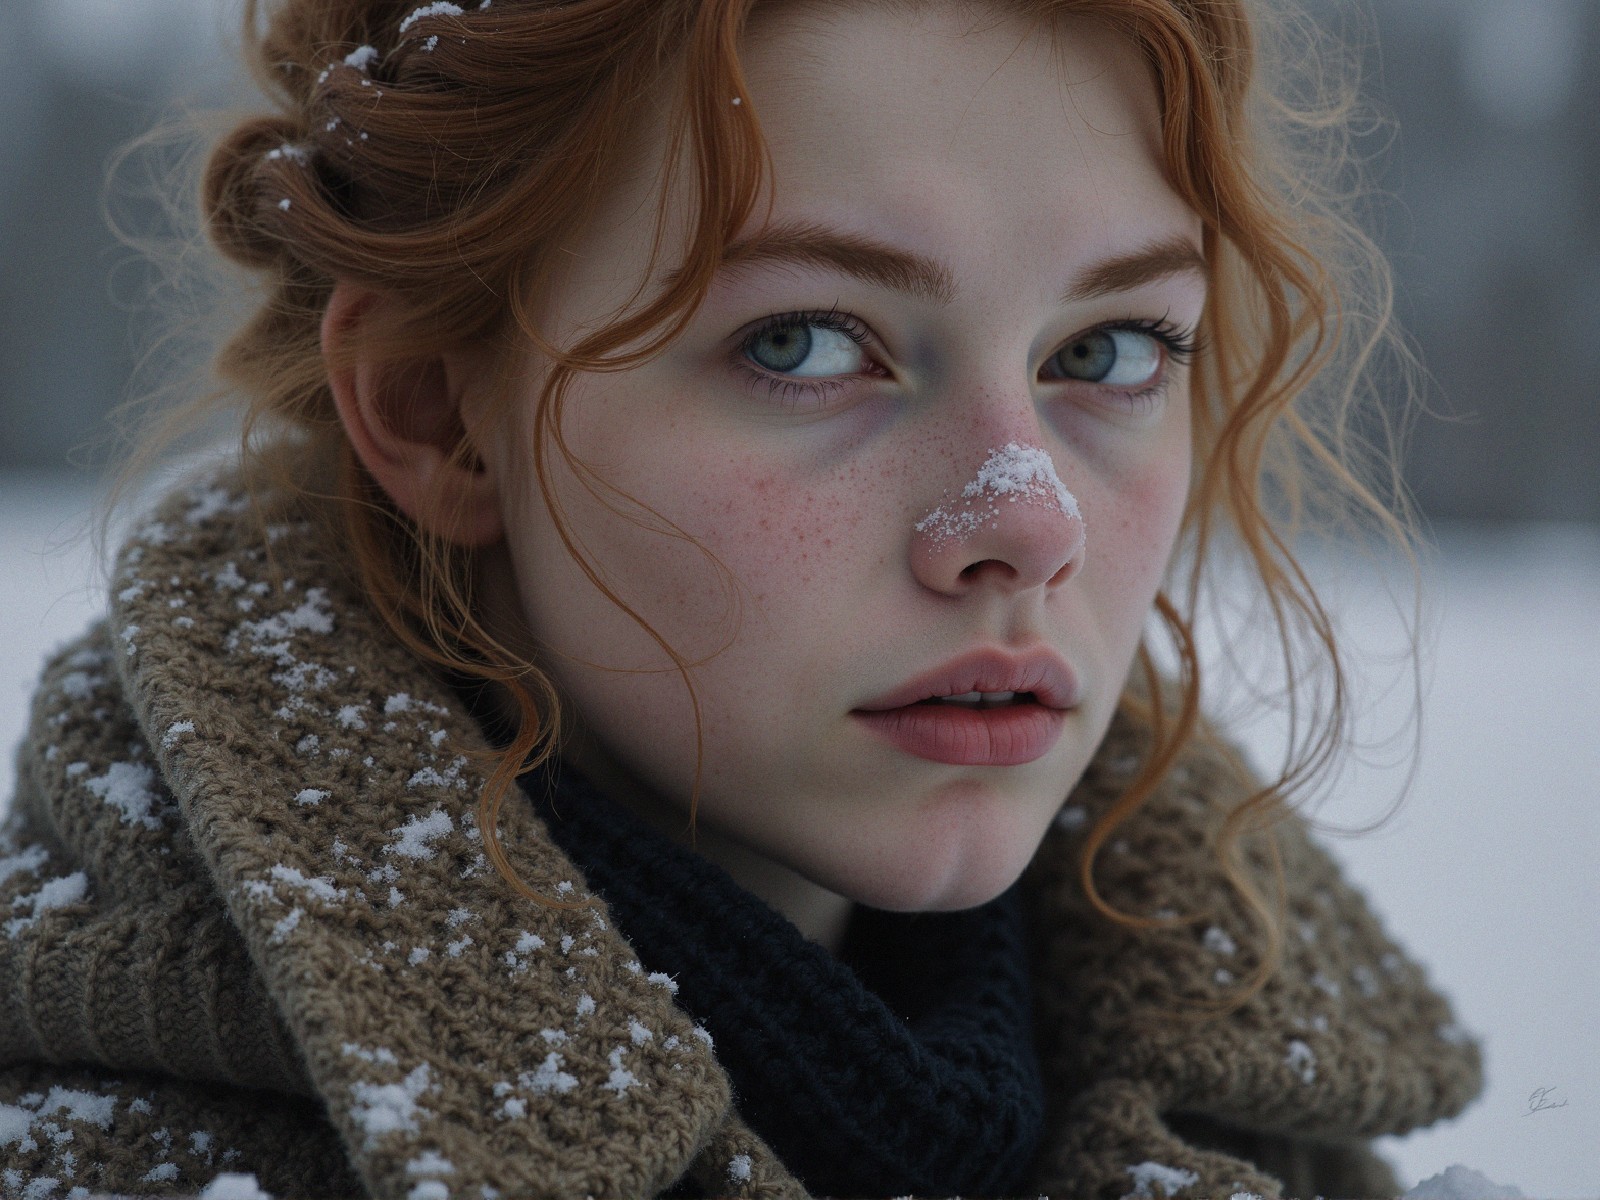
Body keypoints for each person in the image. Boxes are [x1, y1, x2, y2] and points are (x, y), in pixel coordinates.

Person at [0, 0, 1482, 1196]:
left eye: (1106, 354)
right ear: (439, 409)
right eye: (808, 345)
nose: (1025, 527)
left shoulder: (1265, 1137)